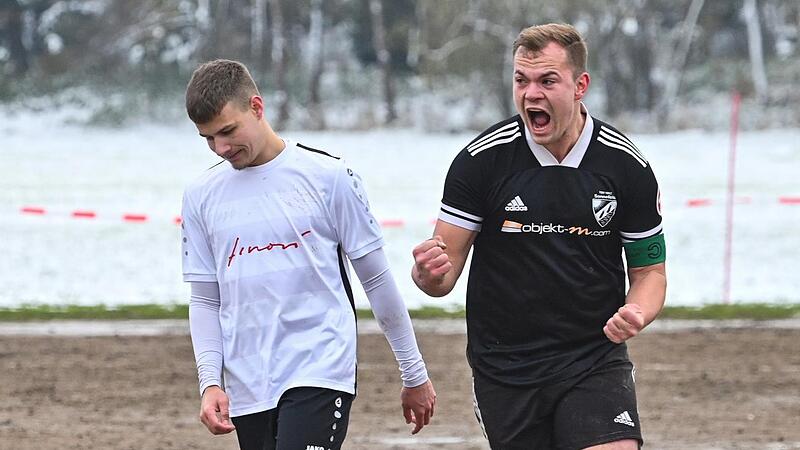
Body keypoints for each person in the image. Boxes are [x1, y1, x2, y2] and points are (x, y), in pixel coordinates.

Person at [411, 23, 666, 450]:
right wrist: (427, 272)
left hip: (592, 357)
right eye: (521, 80)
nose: (531, 94)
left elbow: (650, 272)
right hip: (506, 368)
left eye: (547, 80)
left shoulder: (626, 167)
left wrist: (638, 311)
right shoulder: (481, 161)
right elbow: (439, 279)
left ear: (580, 85)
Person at [180, 59, 436, 450]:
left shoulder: (330, 177)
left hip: (319, 368)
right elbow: (204, 299)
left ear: (257, 106)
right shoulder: (201, 196)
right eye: (208, 139)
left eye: (228, 131)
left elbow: (376, 280)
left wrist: (413, 372)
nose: (221, 148)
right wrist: (210, 382)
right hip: (248, 382)